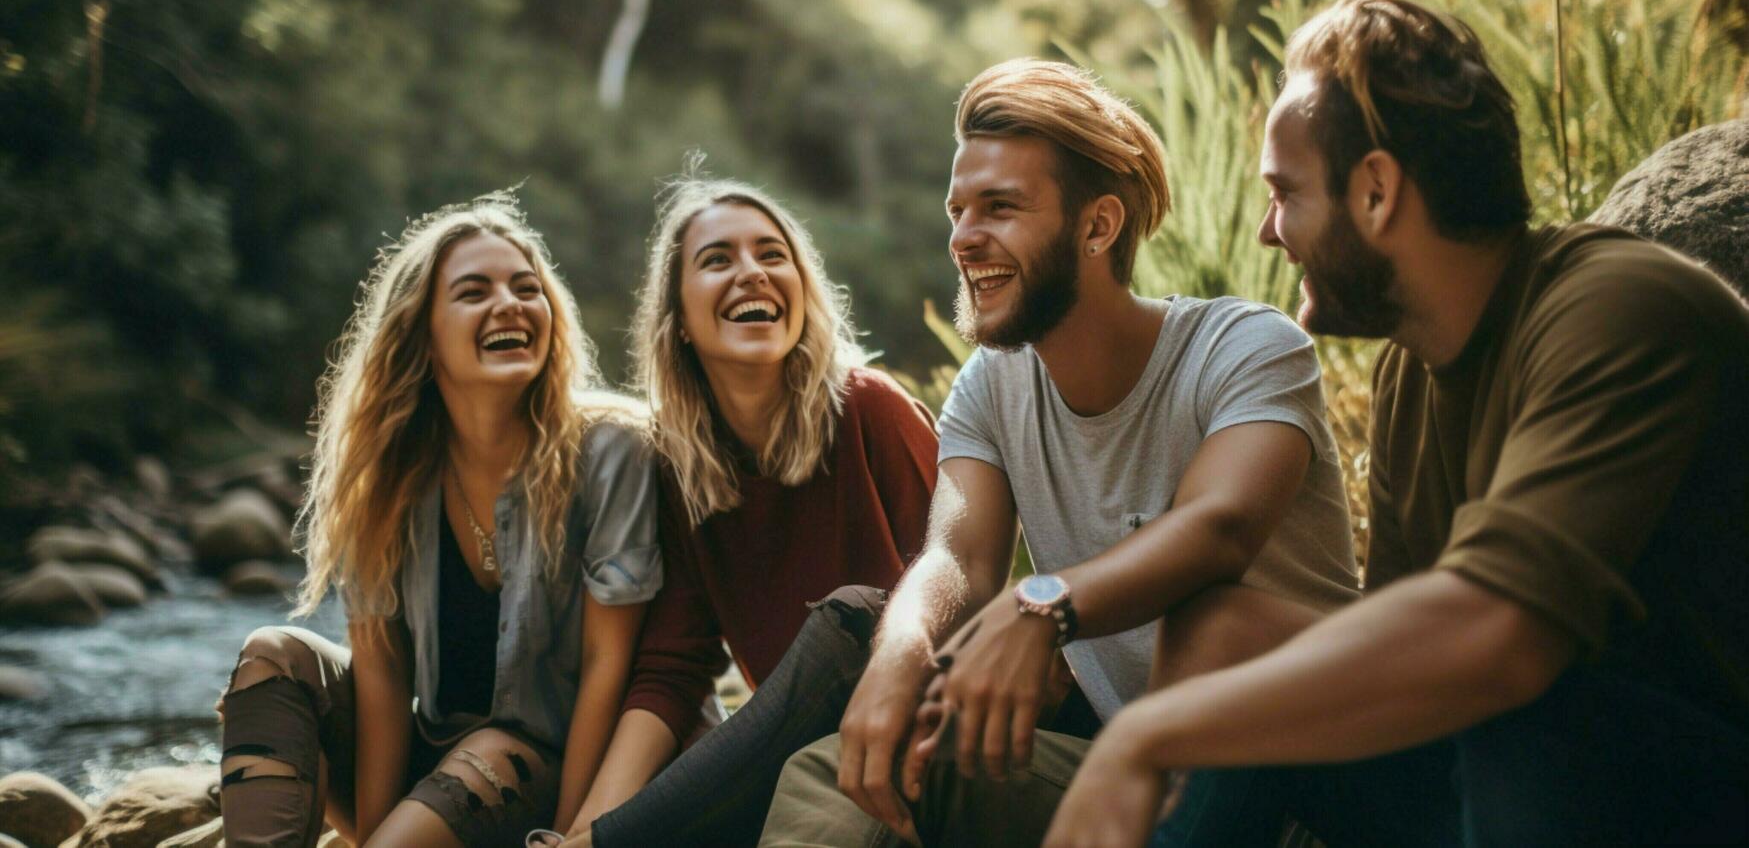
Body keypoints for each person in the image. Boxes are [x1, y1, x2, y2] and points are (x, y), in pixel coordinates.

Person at [1044, 0, 1749, 848]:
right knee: (1241, 651)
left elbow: (1496, 639)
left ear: (1375, 191)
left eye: (1285, 193)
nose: (1269, 232)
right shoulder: (1410, 374)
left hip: (1689, 778)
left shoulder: (1620, 307)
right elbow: (1388, 663)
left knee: (1507, 695)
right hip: (1528, 778)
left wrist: (1150, 732)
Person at [759, 59, 1361, 847]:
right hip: (1136, 781)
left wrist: (1037, 604)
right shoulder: (993, 386)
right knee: (837, 772)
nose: (964, 238)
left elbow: (1219, 528)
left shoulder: (1245, 347)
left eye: (1000, 208)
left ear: (1097, 226)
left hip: (1301, 790)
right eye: (958, 210)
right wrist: (897, 657)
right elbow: (956, 558)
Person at [215, 194, 661, 847]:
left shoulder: (611, 449)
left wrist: (571, 834)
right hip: (441, 766)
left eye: (526, 288)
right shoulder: (387, 471)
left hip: (561, 771)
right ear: (421, 332)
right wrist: (373, 835)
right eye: (473, 292)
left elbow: (607, 662)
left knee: (490, 746)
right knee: (272, 655)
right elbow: (383, 677)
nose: (508, 304)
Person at [544, 174, 938, 847]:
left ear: (802, 292)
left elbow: (960, 598)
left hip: (917, 738)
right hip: (795, 757)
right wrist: (580, 823)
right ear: (680, 321)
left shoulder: (872, 409)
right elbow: (672, 669)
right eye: (717, 259)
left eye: (771, 253)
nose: (751, 273)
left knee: (848, 622)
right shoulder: (679, 465)